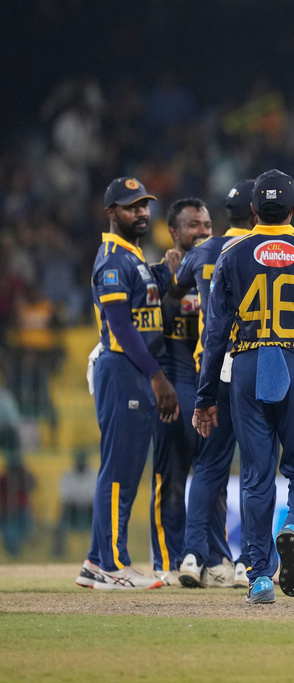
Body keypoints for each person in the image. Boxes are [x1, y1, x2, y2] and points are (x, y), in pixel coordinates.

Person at [192, 169, 294, 605]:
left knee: (257, 476)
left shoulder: (232, 254)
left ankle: (260, 577)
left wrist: (205, 397)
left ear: (254, 210)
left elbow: (215, 333)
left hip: (246, 364)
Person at [76, 177, 179, 590]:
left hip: (131, 369)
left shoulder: (133, 257)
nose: (141, 212)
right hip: (124, 368)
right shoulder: (114, 258)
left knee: (122, 466)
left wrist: (165, 273)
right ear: (111, 213)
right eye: (130, 206)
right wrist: (157, 376)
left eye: (144, 205)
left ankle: (95, 561)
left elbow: (145, 304)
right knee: (120, 469)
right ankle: (114, 565)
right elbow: (120, 324)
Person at [173, 180, 258, 589]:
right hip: (257, 366)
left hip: (213, 369)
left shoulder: (205, 250)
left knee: (208, 466)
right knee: (257, 469)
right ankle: (248, 561)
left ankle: (191, 556)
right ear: (258, 214)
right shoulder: (269, 249)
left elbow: (175, 286)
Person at [150, 198, 212, 585]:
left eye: (207, 224)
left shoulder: (220, 270)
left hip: (209, 385)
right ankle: (166, 562)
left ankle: (206, 559)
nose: (203, 232)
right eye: (194, 225)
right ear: (174, 232)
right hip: (173, 383)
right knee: (170, 479)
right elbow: (152, 332)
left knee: (212, 479)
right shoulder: (156, 275)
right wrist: (173, 287)